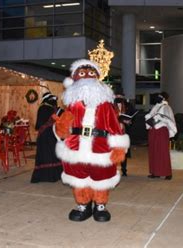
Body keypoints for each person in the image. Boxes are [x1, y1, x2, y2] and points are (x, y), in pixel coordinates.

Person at [54, 59, 129, 222]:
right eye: (82, 73)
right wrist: (61, 127)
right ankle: (83, 205)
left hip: (99, 147)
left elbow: (114, 127)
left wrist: (119, 148)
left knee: (101, 178)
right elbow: (65, 123)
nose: (87, 77)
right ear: (75, 79)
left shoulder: (106, 105)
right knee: (78, 177)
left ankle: (100, 205)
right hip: (76, 147)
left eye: (91, 73)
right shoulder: (73, 104)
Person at [30, 92, 64, 183]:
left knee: (46, 154)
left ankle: (46, 176)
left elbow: (38, 125)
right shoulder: (52, 109)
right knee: (52, 154)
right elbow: (61, 116)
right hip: (52, 134)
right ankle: (54, 175)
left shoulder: (42, 108)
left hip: (44, 135)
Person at [145, 92, 177, 180]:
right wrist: (148, 118)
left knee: (163, 152)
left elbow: (170, 120)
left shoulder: (166, 107)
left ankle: (167, 173)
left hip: (161, 130)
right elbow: (150, 116)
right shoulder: (155, 106)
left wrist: (161, 118)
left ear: (164, 98)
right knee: (153, 151)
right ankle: (155, 172)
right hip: (153, 130)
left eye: (160, 97)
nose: (158, 98)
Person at [114, 92, 135, 176]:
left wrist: (128, 121)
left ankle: (124, 169)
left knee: (124, 152)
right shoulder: (111, 106)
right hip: (114, 132)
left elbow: (132, 117)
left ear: (123, 97)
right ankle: (113, 169)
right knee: (114, 150)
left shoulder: (128, 106)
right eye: (117, 96)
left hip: (124, 131)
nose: (118, 97)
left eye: (120, 96)